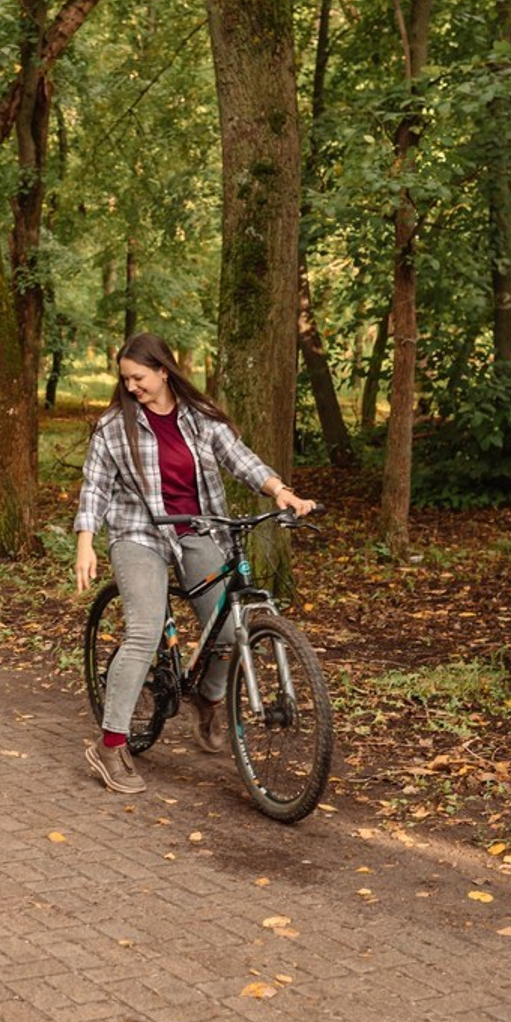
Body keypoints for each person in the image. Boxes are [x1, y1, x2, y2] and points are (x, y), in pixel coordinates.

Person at [73, 332, 316, 795]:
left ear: (164, 371)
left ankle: (208, 697)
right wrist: (86, 542)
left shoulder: (201, 420)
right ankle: (109, 746)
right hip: (139, 534)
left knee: (229, 631)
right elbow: (95, 488)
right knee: (144, 632)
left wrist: (281, 491)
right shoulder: (113, 427)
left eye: (138, 378)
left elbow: (241, 460)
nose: (131, 387)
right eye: (125, 380)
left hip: (197, 530)